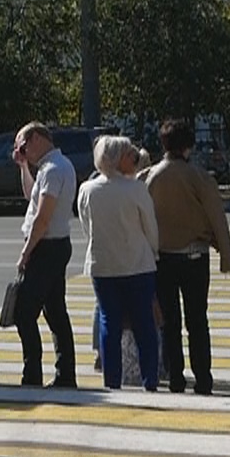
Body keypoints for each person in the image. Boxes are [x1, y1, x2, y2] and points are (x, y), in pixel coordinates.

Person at [143, 118, 230, 395]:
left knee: (170, 321)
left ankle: (175, 378)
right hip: (196, 257)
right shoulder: (200, 177)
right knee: (197, 319)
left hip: (162, 258)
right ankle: (203, 378)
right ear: (188, 147)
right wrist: (225, 255)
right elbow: (216, 217)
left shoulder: (149, 176)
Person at [78, 136, 162, 391]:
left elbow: (86, 226)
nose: (134, 156)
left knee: (109, 322)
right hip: (137, 264)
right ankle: (150, 380)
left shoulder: (87, 189)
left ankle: (112, 381)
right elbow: (151, 227)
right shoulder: (136, 189)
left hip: (102, 266)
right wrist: (153, 252)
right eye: (129, 153)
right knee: (144, 324)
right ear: (116, 159)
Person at [11, 122, 78, 388]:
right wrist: (22, 166)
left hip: (46, 247)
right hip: (54, 245)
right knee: (55, 312)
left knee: (23, 313)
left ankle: (32, 375)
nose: (22, 152)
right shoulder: (53, 167)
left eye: (23, 147)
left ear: (38, 138)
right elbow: (31, 196)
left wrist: (26, 253)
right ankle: (65, 374)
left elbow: (42, 218)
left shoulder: (53, 170)